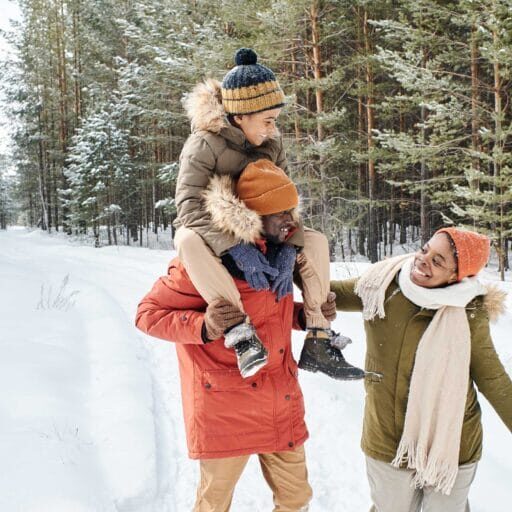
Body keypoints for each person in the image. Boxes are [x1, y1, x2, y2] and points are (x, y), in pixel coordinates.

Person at [136, 165, 339, 511]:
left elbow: (268, 312)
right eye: (281, 214)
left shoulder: (282, 254)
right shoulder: (206, 260)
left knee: (297, 499)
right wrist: (206, 326)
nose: (292, 221)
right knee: (214, 504)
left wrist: (303, 316)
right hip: (224, 406)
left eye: (294, 211)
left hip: (279, 398)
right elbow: (147, 315)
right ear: (252, 215)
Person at [173, 46, 363, 380]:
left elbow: (286, 201)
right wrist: (234, 246)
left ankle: (319, 338)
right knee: (186, 239)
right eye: (267, 120)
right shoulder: (203, 145)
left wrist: (287, 247)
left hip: (265, 228)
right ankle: (241, 334)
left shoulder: (272, 143)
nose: (272, 128)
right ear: (240, 116)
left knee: (315, 241)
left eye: (275, 120)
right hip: (218, 229)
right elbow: (188, 207)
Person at [326, 227, 512, 511]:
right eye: (425, 249)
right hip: (388, 438)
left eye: (438, 261)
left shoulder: (469, 310)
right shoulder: (382, 285)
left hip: (451, 446)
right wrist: (281, 264)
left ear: (456, 275)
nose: (424, 260)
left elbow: (492, 378)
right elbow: (329, 294)